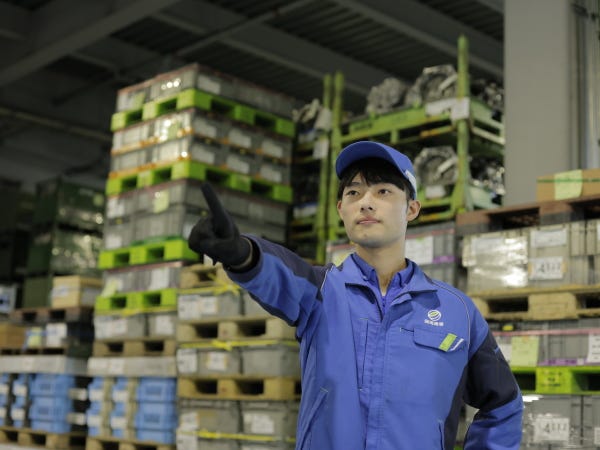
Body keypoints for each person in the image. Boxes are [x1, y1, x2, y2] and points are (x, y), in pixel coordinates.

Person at [188, 140, 523, 450]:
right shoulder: (320, 293)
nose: (366, 202)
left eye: (383, 191)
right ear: (341, 209)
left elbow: (503, 404)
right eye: (354, 193)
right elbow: (278, 273)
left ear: (411, 209)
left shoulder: (457, 312)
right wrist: (241, 253)